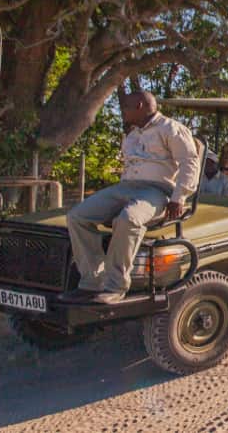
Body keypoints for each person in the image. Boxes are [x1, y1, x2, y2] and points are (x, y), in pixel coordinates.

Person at [60, 91, 200, 305]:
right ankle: (92, 283)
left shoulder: (171, 129)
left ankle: (115, 286)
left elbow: (189, 163)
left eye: (125, 107)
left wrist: (178, 197)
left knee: (129, 219)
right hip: (126, 187)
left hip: (157, 190)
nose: (122, 111)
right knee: (77, 216)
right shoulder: (133, 134)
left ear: (141, 105)